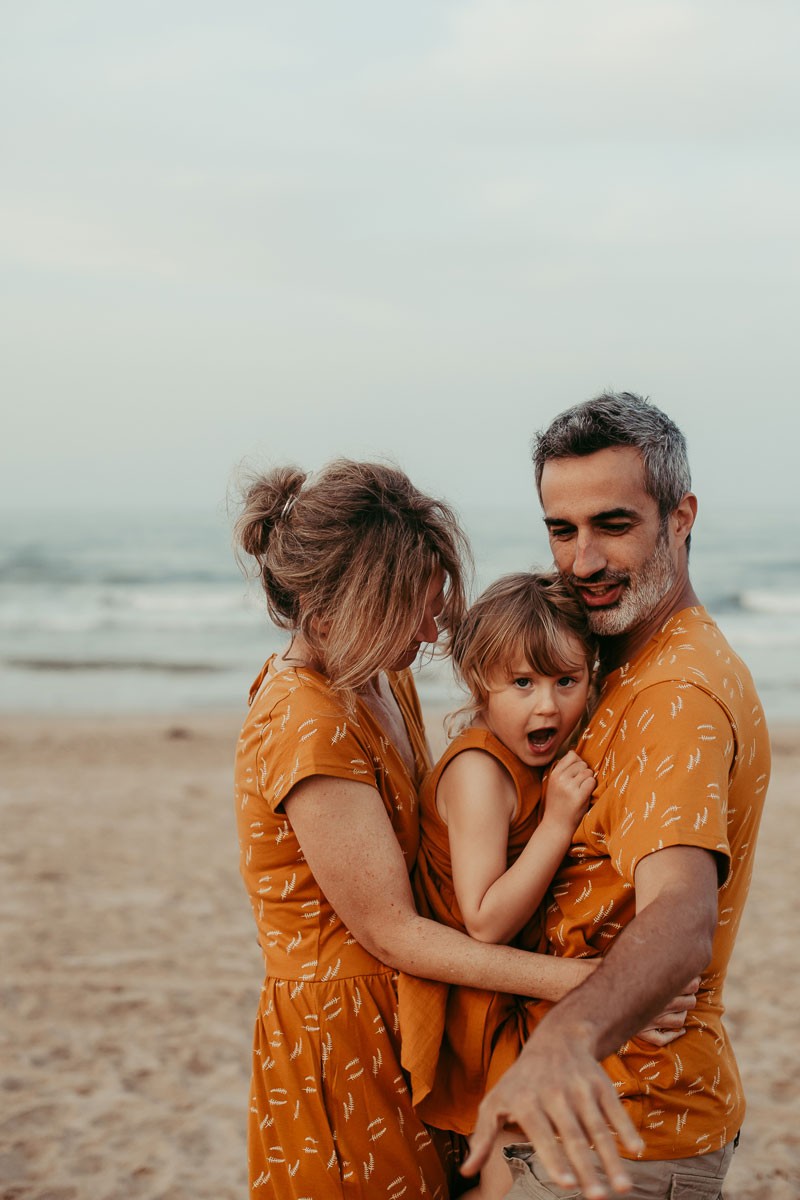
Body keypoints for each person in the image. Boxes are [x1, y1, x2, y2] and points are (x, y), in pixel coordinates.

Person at [232, 460, 632, 1200]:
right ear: (345, 604)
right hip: (340, 1034)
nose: (435, 626)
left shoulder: (378, 674)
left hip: (414, 1013)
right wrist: (585, 983)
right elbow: (392, 932)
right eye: (412, 610)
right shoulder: (303, 719)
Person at [464, 393, 771, 1200]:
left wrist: (568, 1037)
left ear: (680, 517)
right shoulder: (625, 662)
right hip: (586, 1117)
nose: (584, 561)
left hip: (618, 1129)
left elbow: (682, 914)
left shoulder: (675, 692)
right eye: (561, 531)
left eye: (614, 524)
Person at [399, 571, 598, 1199]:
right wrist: (559, 824)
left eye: (567, 681)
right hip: (477, 1003)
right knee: (506, 1167)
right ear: (476, 681)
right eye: (522, 683)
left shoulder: (540, 748)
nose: (547, 705)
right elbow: (483, 919)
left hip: (511, 992)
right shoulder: (481, 771)